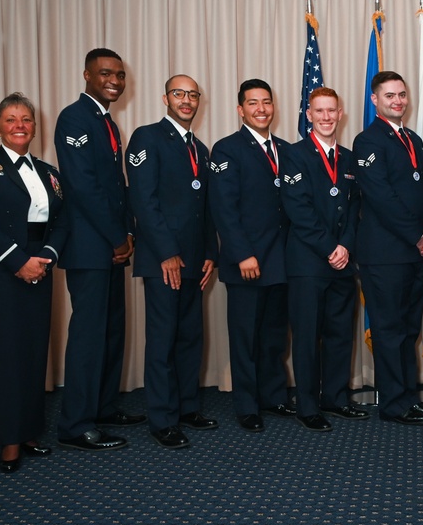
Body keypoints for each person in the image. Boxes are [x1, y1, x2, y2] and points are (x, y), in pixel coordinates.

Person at [0, 93, 68, 472]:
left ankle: (28, 430)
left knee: (32, 350)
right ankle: (7, 438)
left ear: (35, 127)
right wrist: (18, 261)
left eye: (26, 119)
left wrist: (48, 257)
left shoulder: (49, 172)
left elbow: (61, 222)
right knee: (1, 356)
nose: (19, 125)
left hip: (38, 270)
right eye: (10, 119)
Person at [55, 48, 146, 452]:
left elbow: (115, 186)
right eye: (105, 73)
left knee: (111, 331)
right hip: (91, 246)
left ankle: (104, 407)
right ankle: (76, 423)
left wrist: (128, 232)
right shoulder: (74, 118)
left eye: (120, 75)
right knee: (89, 337)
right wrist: (116, 237)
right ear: (87, 75)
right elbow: (83, 188)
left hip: (111, 244)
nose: (114, 80)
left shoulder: (106, 122)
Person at [126, 75, 219, 449]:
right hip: (164, 259)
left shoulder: (201, 148)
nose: (186, 100)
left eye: (192, 95)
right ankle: (162, 418)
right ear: (165, 97)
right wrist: (166, 252)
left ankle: (185, 407)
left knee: (189, 336)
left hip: (196, 260)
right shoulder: (147, 138)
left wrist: (212, 253)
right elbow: (143, 202)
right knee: (163, 340)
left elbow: (206, 208)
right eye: (179, 94)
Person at [353, 71, 423, 426]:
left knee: (407, 331)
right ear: (375, 100)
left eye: (402, 94)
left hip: (413, 253)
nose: (398, 101)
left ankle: (407, 397)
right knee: (389, 332)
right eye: (390, 96)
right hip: (384, 255)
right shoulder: (367, 141)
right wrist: (417, 234)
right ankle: (393, 405)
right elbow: (381, 197)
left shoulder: (413, 139)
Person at [209, 79, 295, 432]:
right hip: (245, 260)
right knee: (245, 336)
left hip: (281, 259)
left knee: (275, 334)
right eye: (253, 103)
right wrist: (243, 253)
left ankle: (273, 396)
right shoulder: (227, 149)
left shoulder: (288, 150)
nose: (261, 109)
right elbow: (223, 208)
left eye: (267, 102)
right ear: (240, 109)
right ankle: (247, 405)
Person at [281, 87, 368, 432]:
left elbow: (354, 206)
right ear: (309, 115)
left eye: (332, 111)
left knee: (339, 334)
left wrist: (344, 246)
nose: (327, 117)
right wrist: (329, 247)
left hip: (342, 262)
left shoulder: (348, 159)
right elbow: (298, 209)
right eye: (320, 111)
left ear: (341, 113)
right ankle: (307, 405)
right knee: (306, 336)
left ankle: (335, 397)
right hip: (308, 263)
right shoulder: (294, 155)